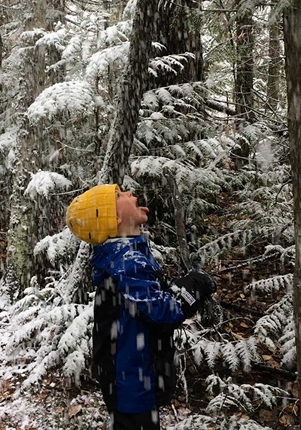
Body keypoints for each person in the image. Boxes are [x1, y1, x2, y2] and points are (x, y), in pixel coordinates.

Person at [66, 184, 216, 430]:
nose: (130, 194)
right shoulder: (127, 260)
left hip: (128, 379)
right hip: (132, 385)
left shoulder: (126, 254)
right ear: (115, 218)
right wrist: (192, 289)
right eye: (119, 196)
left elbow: (146, 303)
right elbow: (163, 312)